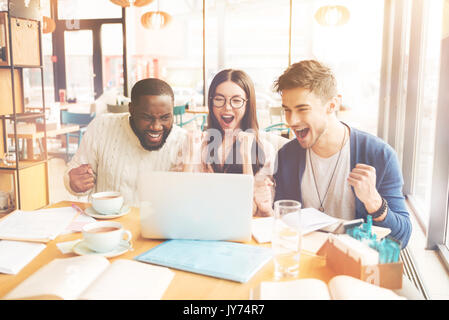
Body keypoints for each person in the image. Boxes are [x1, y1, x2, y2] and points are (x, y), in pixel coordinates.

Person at [273, 60, 412, 248]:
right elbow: (282, 223)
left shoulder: (380, 155)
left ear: (332, 105)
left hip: (356, 264)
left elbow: (401, 238)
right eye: (287, 110)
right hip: (305, 261)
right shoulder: (287, 156)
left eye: (302, 109)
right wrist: (266, 206)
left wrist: (374, 202)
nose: (292, 120)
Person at [64, 78, 187, 206]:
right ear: (131, 110)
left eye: (165, 117)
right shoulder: (102, 127)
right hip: (108, 223)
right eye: (147, 117)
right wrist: (73, 183)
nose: (156, 127)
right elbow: (74, 173)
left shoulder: (182, 142)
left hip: (158, 225)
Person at [183, 69, 281, 217]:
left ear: (248, 105)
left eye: (236, 100)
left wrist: (246, 157)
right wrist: (189, 157)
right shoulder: (199, 144)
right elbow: (184, 201)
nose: (227, 107)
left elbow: (254, 211)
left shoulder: (264, 150)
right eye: (219, 99)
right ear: (211, 101)